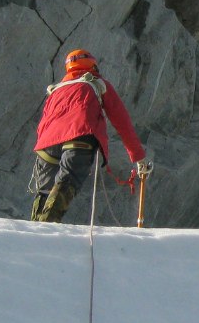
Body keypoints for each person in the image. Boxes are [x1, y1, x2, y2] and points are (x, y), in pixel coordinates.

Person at [29, 48, 150, 223]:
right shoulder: (97, 83)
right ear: (93, 65)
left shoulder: (57, 90)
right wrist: (139, 157)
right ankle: (47, 228)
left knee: (44, 192)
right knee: (66, 183)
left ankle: (35, 230)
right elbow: (122, 122)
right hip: (79, 136)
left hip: (46, 144)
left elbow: (44, 123)